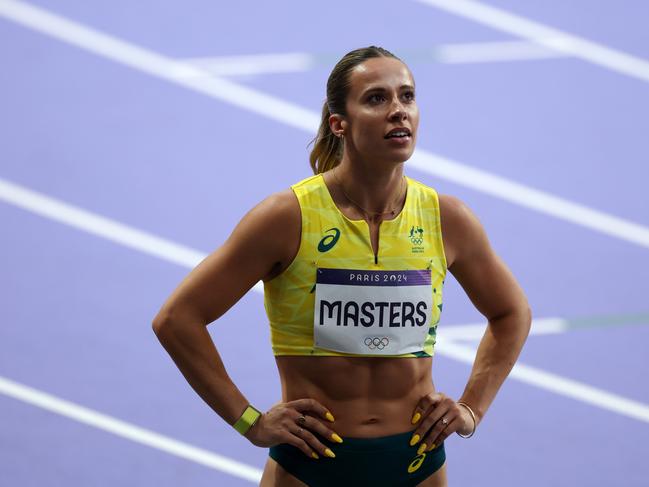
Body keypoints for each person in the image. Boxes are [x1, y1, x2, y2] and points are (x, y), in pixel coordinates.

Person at [152, 46, 531, 486]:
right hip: (312, 465)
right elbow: (177, 319)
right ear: (339, 123)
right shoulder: (287, 217)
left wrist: (470, 408)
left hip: (415, 464)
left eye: (407, 96)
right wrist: (249, 421)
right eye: (376, 98)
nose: (398, 111)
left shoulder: (446, 219)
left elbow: (511, 313)